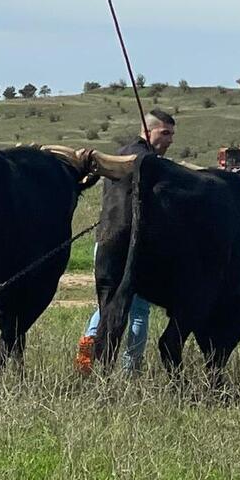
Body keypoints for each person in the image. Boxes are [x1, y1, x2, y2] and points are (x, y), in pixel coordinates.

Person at [75, 108, 176, 374]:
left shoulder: (117, 155)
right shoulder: (151, 163)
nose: (170, 140)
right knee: (140, 310)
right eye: (165, 133)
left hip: (106, 239)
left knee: (105, 306)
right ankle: (131, 370)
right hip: (135, 245)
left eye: (172, 135)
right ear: (147, 129)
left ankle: (85, 363)